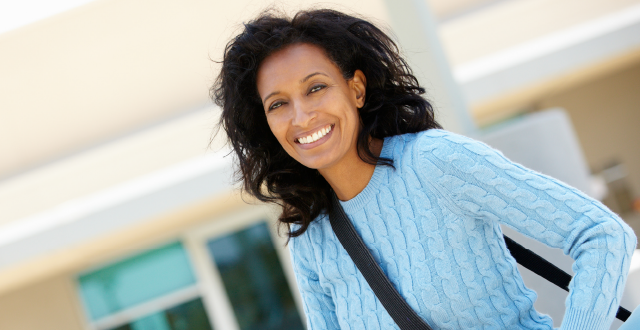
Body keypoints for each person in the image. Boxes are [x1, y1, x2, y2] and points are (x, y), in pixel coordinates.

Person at [212, 8, 637, 330]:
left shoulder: (434, 161)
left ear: (356, 89)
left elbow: (601, 233)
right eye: (278, 104)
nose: (302, 116)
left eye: (316, 87)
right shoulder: (313, 239)